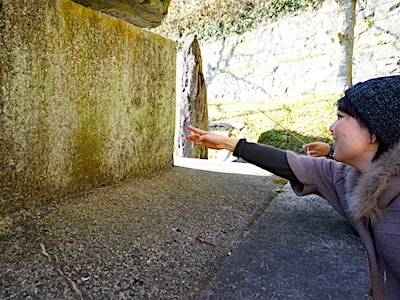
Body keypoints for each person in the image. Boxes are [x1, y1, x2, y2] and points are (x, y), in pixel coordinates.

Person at [187, 75, 400, 299]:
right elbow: (296, 165)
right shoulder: (353, 179)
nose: (331, 127)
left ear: (374, 131)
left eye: (340, 117)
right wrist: (227, 143)